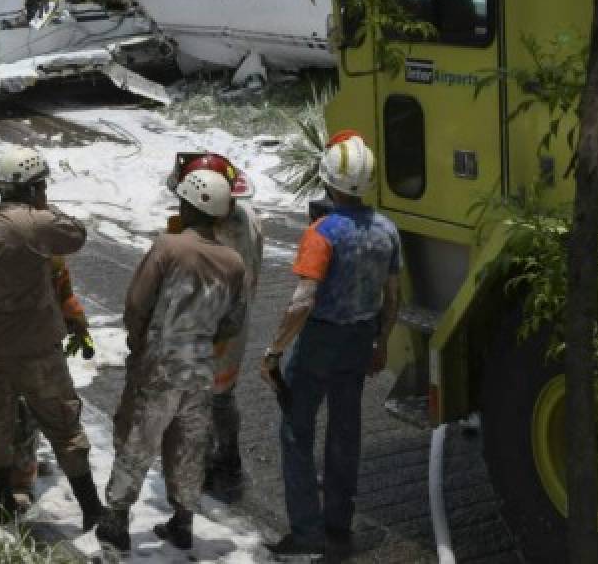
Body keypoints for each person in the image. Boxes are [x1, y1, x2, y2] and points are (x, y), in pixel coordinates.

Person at [260, 134, 401, 557]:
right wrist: (382, 343)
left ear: (329, 180)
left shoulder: (323, 233)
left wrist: (274, 350)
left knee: (296, 431)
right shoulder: (387, 231)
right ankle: (339, 525)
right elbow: (393, 298)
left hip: (320, 338)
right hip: (361, 338)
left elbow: (303, 300)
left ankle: (306, 533)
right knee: (345, 431)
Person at [0, 146, 105, 531]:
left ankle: (3, 503)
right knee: (64, 426)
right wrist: (43, 206)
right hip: (39, 349)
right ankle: (91, 509)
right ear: (35, 188)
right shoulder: (39, 224)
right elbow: (77, 234)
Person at [98, 170, 246, 552]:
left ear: (186, 205)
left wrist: (138, 345)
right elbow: (232, 322)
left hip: (160, 361)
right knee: (189, 444)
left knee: (139, 439)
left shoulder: (168, 247)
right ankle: (183, 521)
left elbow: (136, 304)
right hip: (200, 367)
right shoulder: (233, 263)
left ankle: (115, 520)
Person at [164, 153, 264, 501]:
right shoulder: (248, 217)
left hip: (207, 326)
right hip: (237, 321)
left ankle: (203, 468)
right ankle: (230, 461)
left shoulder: (211, 238)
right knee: (223, 396)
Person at [8, 257, 91, 509]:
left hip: (43, 345)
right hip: (9, 344)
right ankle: (19, 481)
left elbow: (63, 290)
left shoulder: (50, 252)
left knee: (41, 411)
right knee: (20, 413)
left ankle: (26, 463)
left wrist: (78, 322)